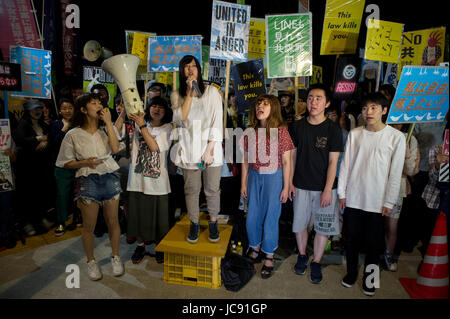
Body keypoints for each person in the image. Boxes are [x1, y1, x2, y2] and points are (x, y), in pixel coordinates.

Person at [338, 92, 406, 296]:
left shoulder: (396, 137)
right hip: (353, 198)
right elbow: (346, 166)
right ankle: (351, 274)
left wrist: (389, 200)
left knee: (374, 245)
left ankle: (370, 280)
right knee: (351, 240)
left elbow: (395, 173)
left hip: (377, 202)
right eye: (366, 108)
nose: (368, 112)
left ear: (384, 110)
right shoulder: (355, 134)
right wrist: (342, 193)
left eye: (374, 107)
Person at [56, 93, 124, 281]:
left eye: (100, 102)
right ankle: (91, 261)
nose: (99, 105)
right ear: (84, 110)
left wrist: (109, 122)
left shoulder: (105, 129)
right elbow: (65, 162)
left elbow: (115, 149)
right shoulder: (73, 134)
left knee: (113, 221)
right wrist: (84, 162)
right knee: (89, 226)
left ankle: (115, 257)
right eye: (94, 103)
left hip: (110, 176)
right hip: (87, 180)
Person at [288, 84, 342, 285]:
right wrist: (290, 182)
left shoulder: (333, 129)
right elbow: (292, 157)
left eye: (319, 98)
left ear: (327, 103)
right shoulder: (297, 126)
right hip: (300, 185)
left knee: (323, 227)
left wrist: (328, 189)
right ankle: (302, 255)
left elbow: (333, 162)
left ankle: (317, 261)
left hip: (325, 188)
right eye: (310, 98)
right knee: (299, 224)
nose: (313, 102)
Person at [170, 54, 223, 244]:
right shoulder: (177, 95)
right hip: (190, 150)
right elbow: (180, 119)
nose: (191, 69)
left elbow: (218, 121)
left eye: (194, 66)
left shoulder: (212, 92)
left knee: (212, 189)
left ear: (199, 70)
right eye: (186, 66)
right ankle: (194, 222)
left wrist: (210, 148)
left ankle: (214, 222)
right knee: (191, 190)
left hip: (211, 151)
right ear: (182, 70)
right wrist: (190, 94)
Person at [240, 94, 294, 279]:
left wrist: (286, 187)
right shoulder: (249, 130)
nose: (260, 107)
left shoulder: (281, 132)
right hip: (254, 177)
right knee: (252, 215)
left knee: (271, 217)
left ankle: (269, 255)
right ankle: (255, 248)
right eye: (258, 104)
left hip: (274, 178)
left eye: (265, 104)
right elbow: (245, 160)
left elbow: (287, 161)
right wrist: (243, 183)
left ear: (274, 109)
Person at [126, 96, 173, 264]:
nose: (157, 109)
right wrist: (125, 111)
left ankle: (160, 246)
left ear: (166, 111)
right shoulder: (138, 123)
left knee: (160, 220)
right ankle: (140, 246)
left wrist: (142, 125)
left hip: (158, 182)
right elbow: (117, 133)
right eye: (154, 106)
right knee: (137, 216)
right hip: (137, 179)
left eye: (161, 107)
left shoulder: (168, 128)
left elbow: (154, 147)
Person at [13, 99, 54, 236]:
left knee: (39, 194)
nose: (37, 111)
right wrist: (38, 139)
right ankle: (27, 223)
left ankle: (40, 219)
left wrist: (46, 141)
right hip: (26, 167)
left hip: (41, 166)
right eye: (33, 109)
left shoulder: (44, 124)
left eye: (39, 108)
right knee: (27, 195)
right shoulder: (23, 124)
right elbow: (19, 140)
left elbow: (50, 139)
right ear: (27, 111)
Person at [383, 123, 420, 271]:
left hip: (396, 189)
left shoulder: (410, 139)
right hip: (375, 187)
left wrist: (407, 156)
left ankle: (389, 254)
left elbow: (412, 171)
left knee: (392, 225)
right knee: (375, 223)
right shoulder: (380, 132)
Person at [49, 98, 80, 236]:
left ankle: (76, 218)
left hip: (78, 165)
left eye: (70, 108)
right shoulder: (55, 124)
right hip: (62, 167)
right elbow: (54, 143)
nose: (67, 111)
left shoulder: (79, 124)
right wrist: (65, 127)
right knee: (61, 195)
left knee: (78, 195)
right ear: (60, 110)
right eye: (64, 108)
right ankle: (61, 222)